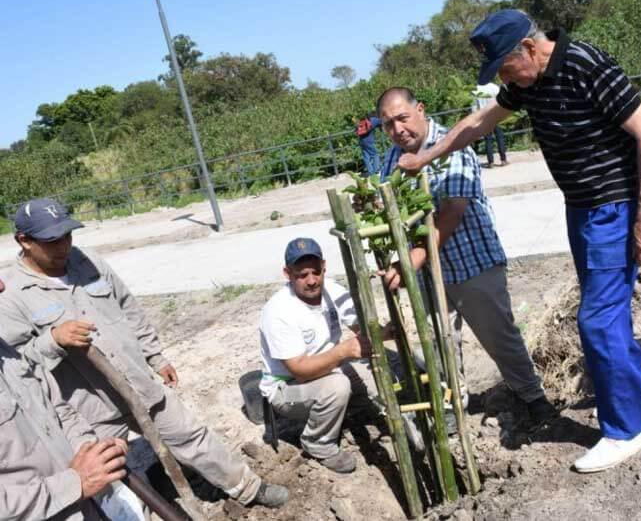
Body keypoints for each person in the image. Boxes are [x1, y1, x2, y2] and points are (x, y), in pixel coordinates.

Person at [394, 9, 641, 473]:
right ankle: (638, 385)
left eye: (504, 66)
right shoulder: (526, 81)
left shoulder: (584, 64)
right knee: (607, 308)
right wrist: (428, 155)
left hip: (613, 207)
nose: (503, 79)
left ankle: (626, 429)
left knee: (596, 320)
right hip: (580, 209)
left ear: (529, 47)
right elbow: (482, 122)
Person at [0, 198, 289, 509]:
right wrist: (53, 341)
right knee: (113, 481)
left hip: (138, 384)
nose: (64, 246)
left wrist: (156, 356)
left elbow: (128, 308)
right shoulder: (11, 295)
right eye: (52, 241)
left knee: (191, 435)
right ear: (24, 241)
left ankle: (248, 488)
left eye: (67, 236)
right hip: (91, 408)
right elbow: (18, 368)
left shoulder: (87, 261)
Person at [376, 86, 557, 425]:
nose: (397, 129)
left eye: (402, 118)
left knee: (499, 335)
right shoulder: (391, 159)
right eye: (388, 124)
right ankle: (452, 402)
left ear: (421, 109)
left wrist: (411, 260)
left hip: (471, 262)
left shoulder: (452, 145)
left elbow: (452, 212)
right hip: (427, 272)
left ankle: (532, 397)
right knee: (439, 339)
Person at [259, 237, 420, 474]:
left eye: (316, 272)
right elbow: (299, 370)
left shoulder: (332, 290)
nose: (312, 281)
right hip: (288, 387)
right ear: (287, 273)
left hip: (328, 367)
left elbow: (361, 329)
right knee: (337, 387)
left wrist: (387, 332)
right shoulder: (279, 312)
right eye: (302, 275)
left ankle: (405, 418)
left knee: (392, 361)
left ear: (324, 266)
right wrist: (343, 351)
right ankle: (318, 442)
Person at [0, 334, 136, 521]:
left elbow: (58, 409)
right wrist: (74, 483)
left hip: (85, 505)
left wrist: (92, 451)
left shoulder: (7, 353)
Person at [472, 82, 509, 167]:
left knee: (488, 139)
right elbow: (502, 100)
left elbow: (474, 106)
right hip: (495, 115)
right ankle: (503, 159)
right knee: (499, 137)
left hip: (484, 116)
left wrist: (476, 119)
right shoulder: (494, 87)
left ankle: (490, 162)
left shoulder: (476, 89)